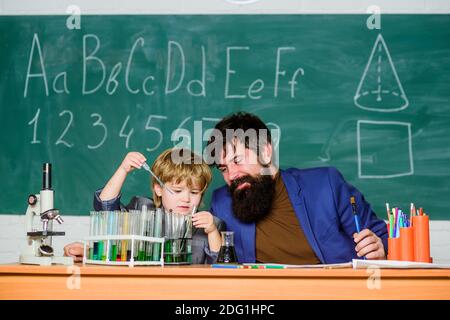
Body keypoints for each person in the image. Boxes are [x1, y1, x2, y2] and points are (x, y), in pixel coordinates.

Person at [206, 112, 388, 264]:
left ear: (265, 152)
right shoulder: (221, 203)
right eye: (224, 168)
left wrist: (380, 248)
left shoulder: (325, 184)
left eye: (237, 160)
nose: (232, 175)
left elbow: (383, 237)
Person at [64, 148, 225, 264]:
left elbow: (222, 267)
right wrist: (123, 169)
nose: (186, 199)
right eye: (177, 190)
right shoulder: (142, 209)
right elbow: (105, 208)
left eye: (195, 192)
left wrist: (211, 232)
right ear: (158, 189)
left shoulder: (212, 224)